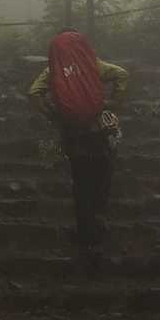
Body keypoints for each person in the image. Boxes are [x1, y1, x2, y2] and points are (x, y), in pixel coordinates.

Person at [28, 30, 130, 251]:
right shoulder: (94, 64)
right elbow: (122, 74)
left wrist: (52, 114)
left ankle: (85, 230)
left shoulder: (53, 70)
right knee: (102, 176)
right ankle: (99, 221)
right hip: (98, 132)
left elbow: (33, 92)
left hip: (73, 133)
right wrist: (112, 103)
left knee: (81, 181)